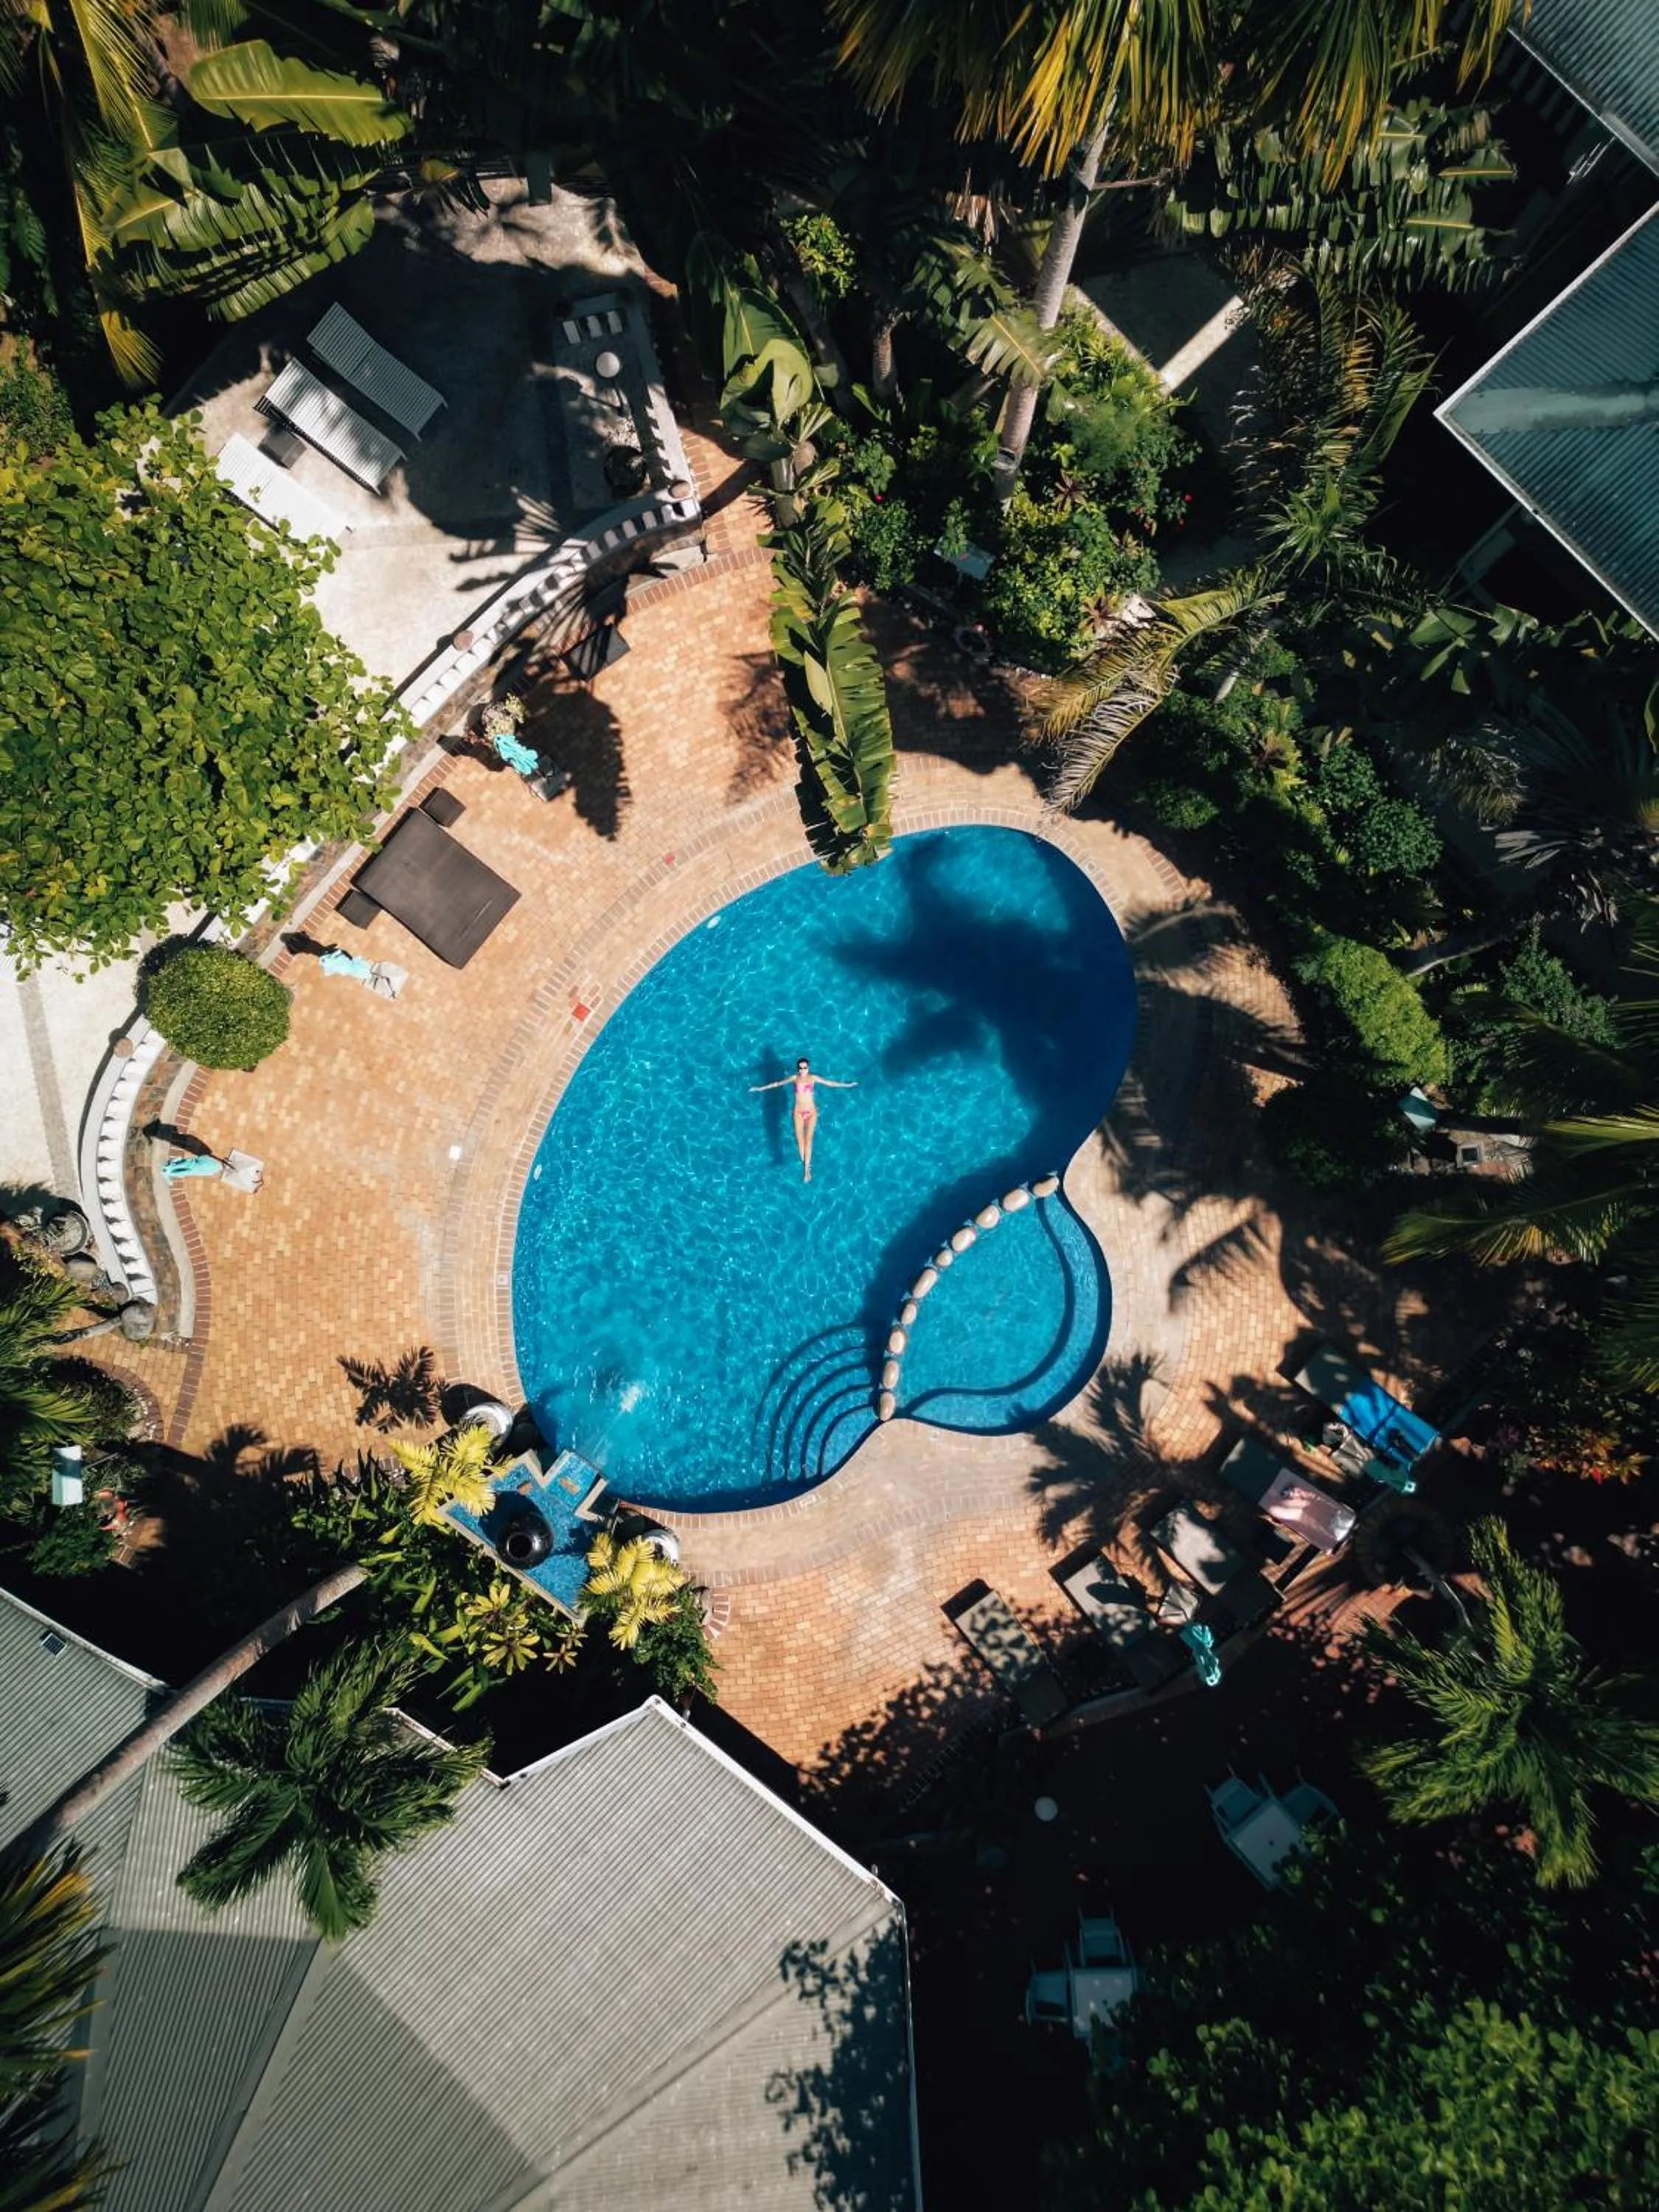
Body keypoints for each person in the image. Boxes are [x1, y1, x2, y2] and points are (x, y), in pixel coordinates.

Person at [750, 1057, 858, 1182]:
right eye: (800, 1068)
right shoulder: (794, 1078)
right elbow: (777, 1084)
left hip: (811, 1112)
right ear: (798, 1069)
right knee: (800, 1142)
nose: (803, 1070)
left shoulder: (813, 1078)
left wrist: (847, 1085)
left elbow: (830, 1083)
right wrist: (759, 1089)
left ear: (808, 1068)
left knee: (809, 1140)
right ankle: (805, 1165)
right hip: (798, 1112)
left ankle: (807, 1170)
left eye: (805, 1068)